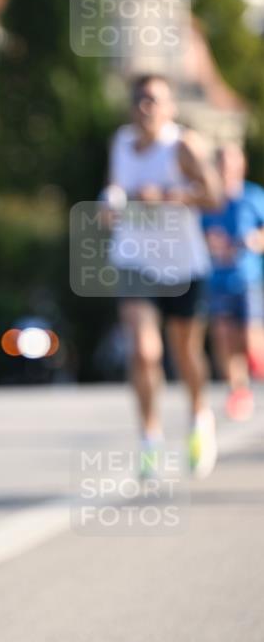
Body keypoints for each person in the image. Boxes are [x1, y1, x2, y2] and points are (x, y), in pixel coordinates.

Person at [104, 74, 222, 478]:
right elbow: (116, 188)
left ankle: (199, 417)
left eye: (154, 100)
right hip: (135, 260)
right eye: (139, 99)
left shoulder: (183, 145)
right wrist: (111, 204)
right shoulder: (121, 142)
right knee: (143, 351)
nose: (145, 107)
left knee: (186, 353)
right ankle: (150, 439)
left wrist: (173, 196)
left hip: (184, 265)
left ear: (170, 107)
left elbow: (214, 194)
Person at [203, 143, 264, 420]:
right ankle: (238, 392)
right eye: (222, 162)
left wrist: (255, 240)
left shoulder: (254, 196)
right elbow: (197, 235)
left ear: (242, 165)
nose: (227, 168)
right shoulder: (208, 200)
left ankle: (255, 375)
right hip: (217, 281)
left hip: (248, 280)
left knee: (250, 342)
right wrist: (210, 242)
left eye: (232, 162)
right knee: (224, 339)